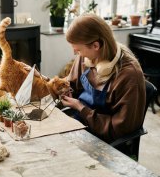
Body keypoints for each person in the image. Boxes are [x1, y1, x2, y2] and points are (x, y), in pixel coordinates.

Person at [60, 14, 146, 143]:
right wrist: (61, 88)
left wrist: (81, 108)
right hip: (80, 124)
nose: (76, 54)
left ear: (95, 46)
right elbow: (71, 83)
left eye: (78, 50)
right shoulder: (86, 57)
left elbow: (118, 129)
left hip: (104, 139)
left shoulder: (129, 76)